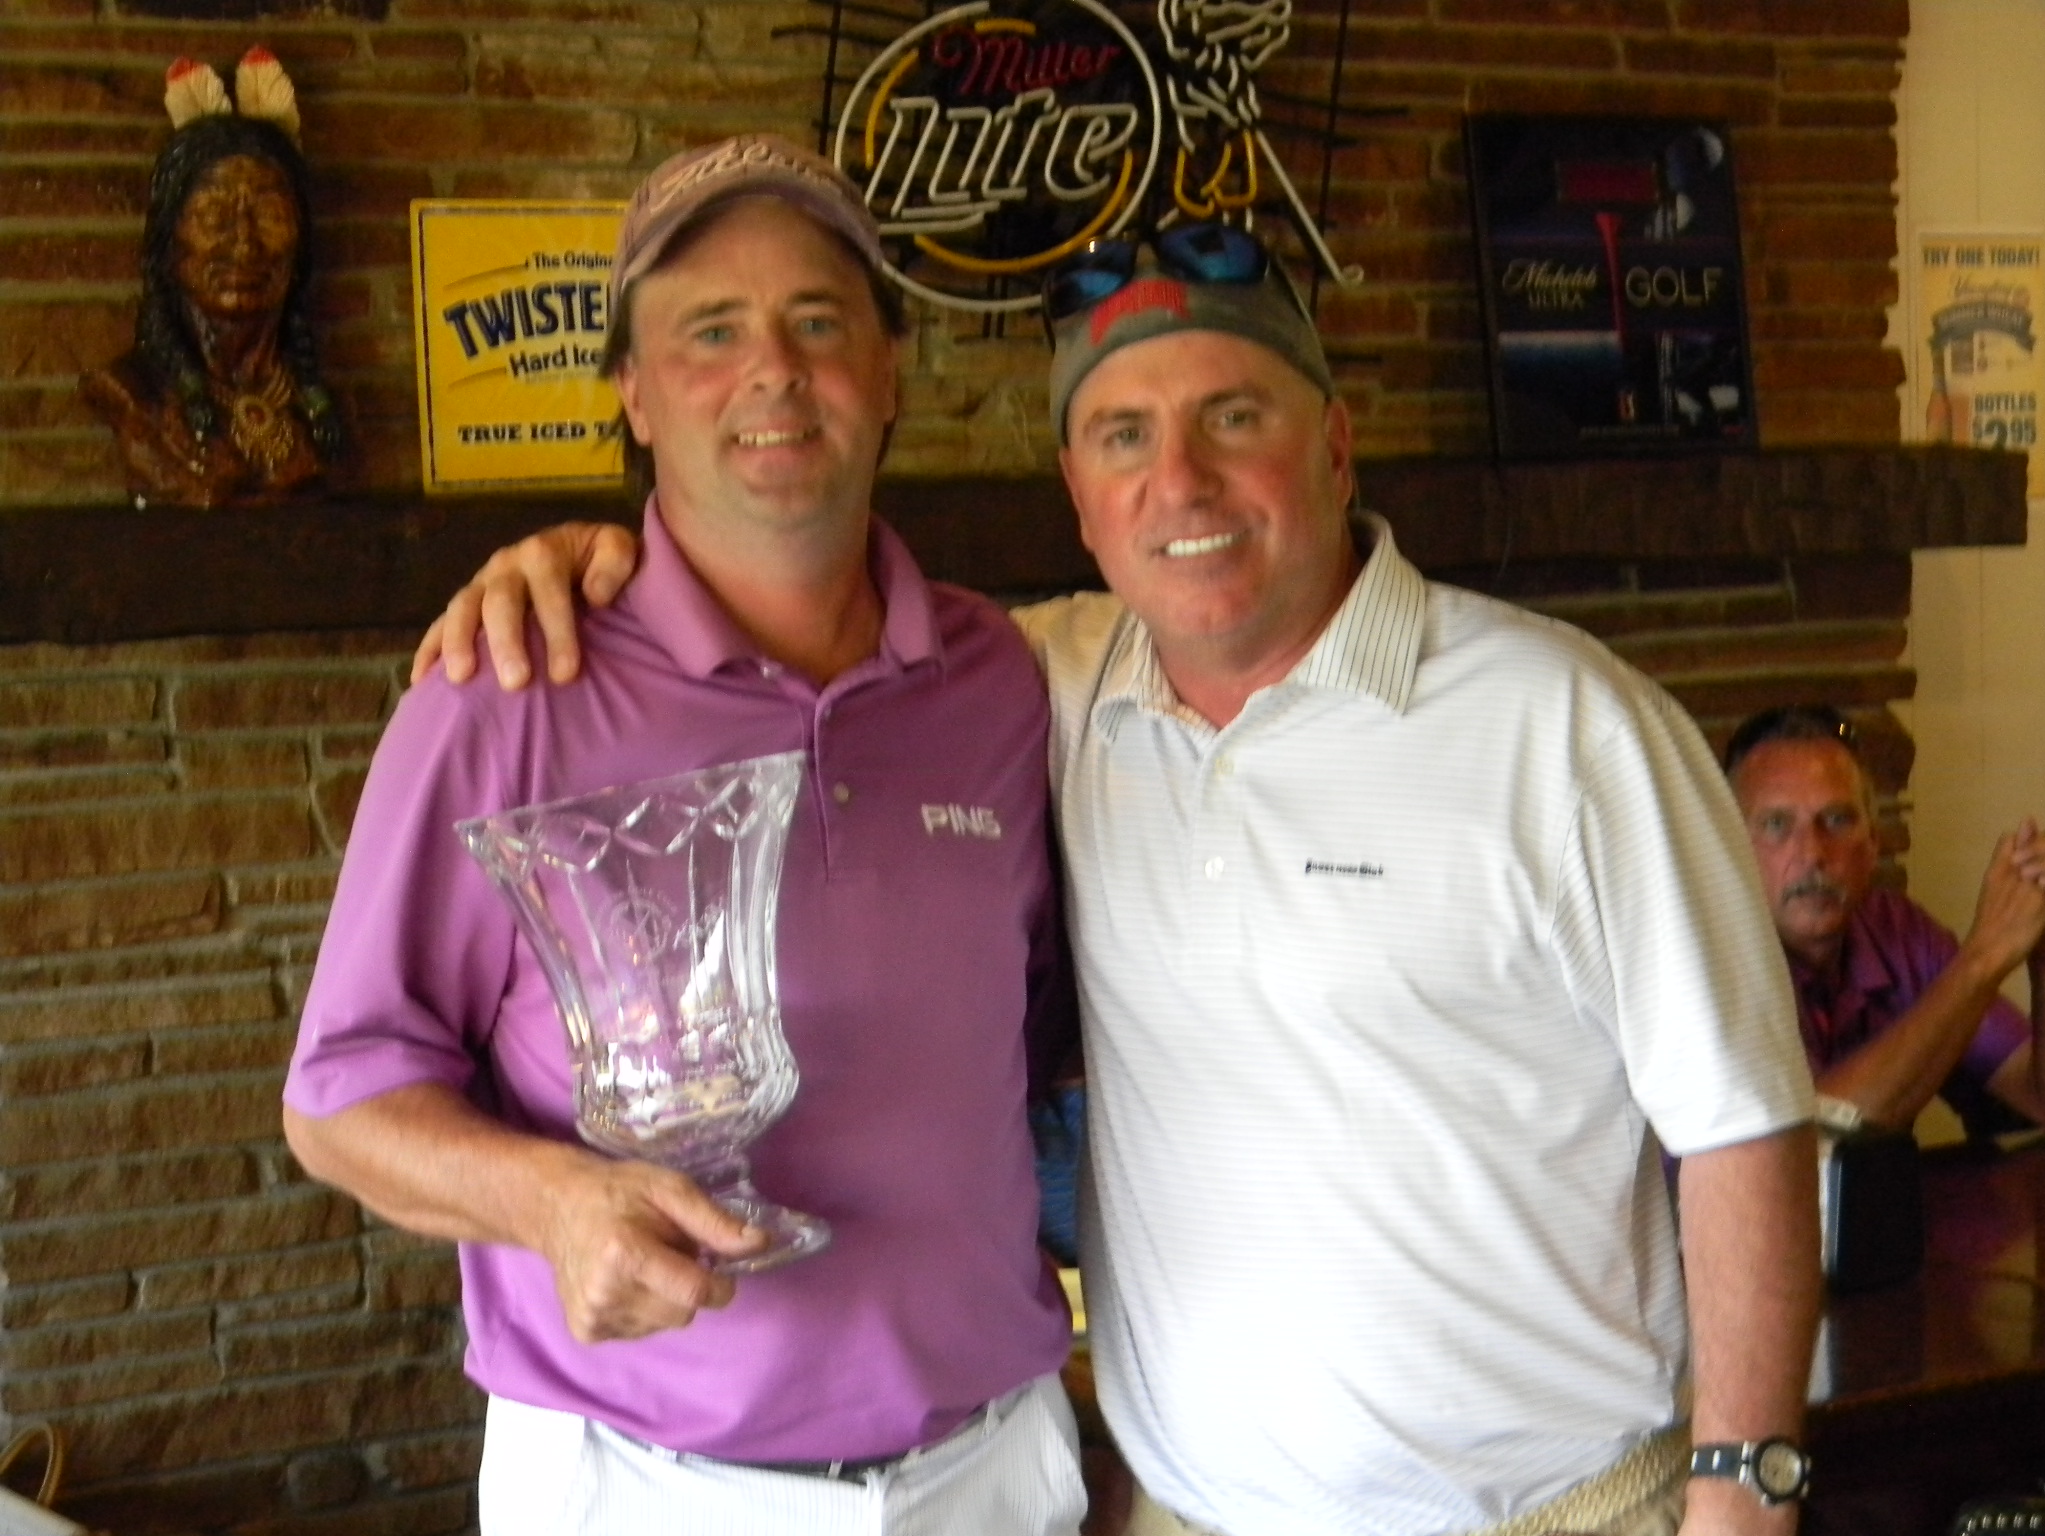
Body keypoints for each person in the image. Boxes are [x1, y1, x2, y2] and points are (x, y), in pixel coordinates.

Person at [420, 227, 1822, 1536]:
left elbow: (1744, 1125)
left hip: (1556, 1514)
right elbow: (798, 616)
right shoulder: (1039, 688)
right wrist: (593, 566)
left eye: (1234, 417)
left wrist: (1746, 1486)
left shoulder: (1565, 726)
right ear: (1080, 502)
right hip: (1187, 1513)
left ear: (1336, 446)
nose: (1181, 482)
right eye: (1122, 437)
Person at [282, 135, 1086, 1536]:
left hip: (990, 1474)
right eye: (710, 331)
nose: (772, 370)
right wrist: (551, 1204)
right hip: (643, 1486)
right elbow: (339, 1098)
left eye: (818, 322)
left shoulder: (1004, 682)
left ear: (891, 371)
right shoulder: (505, 692)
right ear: (635, 394)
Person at [1724, 703, 2045, 1136]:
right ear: (1730, 848)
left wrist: (2041, 947)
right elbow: (1811, 1144)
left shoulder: (1897, 931)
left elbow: (2039, 1098)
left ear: (1873, 842)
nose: (1813, 853)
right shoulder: (1709, 960)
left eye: (1837, 820)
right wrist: (1984, 958)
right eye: (1777, 824)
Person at [80, 80, 339, 509]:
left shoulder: (324, 408)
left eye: (269, 214)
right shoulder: (135, 395)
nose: (244, 245)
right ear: (168, 242)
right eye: (213, 214)